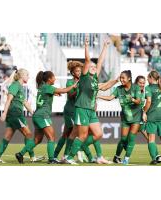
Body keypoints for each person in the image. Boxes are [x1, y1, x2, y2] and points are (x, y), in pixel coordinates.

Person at [64, 36, 111, 164]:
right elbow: (88, 60)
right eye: (91, 67)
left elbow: (100, 62)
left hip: (91, 110)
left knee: (98, 134)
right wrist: (86, 46)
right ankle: (68, 157)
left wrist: (105, 47)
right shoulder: (84, 77)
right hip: (82, 109)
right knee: (82, 135)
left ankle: (79, 148)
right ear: (86, 69)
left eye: (95, 67)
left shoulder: (95, 78)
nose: (94, 67)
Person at [29, 71, 78, 164]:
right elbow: (64, 90)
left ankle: (20, 153)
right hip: (43, 115)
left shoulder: (42, 87)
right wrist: (73, 86)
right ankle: (51, 159)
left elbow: (51, 93)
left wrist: (55, 93)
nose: (55, 79)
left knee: (37, 140)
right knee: (51, 138)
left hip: (37, 115)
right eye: (54, 77)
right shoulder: (48, 87)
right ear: (49, 79)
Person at [98, 70, 142, 165]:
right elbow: (110, 98)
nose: (121, 80)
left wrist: (133, 99)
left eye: (123, 78)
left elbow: (139, 101)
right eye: (120, 78)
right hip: (125, 117)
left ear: (129, 78)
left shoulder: (136, 88)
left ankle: (126, 158)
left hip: (136, 116)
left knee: (131, 138)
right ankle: (117, 156)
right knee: (123, 139)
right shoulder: (119, 89)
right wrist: (98, 96)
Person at [0, 68, 37, 163]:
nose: (28, 77)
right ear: (22, 76)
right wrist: (4, 113)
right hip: (15, 114)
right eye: (27, 75)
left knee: (7, 137)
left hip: (13, 114)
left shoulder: (20, 87)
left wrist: (32, 112)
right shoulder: (15, 85)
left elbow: (24, 102)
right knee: (29, 135)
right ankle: (32, 157)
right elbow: (9, 100)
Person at [135, 75, 161, 163]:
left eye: (143, 83)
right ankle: (156, 156)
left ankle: (156, 156)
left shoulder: (143, 91)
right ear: (136, 82)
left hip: (140, 117)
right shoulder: (134, 91)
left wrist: (144, 112)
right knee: (128, 138)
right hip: (134, 117)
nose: (142, 84)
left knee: (149, 137)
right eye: (140, 83)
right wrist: (143, 112)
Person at [53, 60, 83, 160]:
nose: (79, 72)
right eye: (77, 71)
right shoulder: (70, 82)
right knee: (69, 133)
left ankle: (59, 155)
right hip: (70, 111)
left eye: (80, 71)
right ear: (73, 73)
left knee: (70, 134)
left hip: (78, 111)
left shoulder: (82, 81)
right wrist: (78, 88)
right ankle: (63, 155)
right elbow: (70, 96)